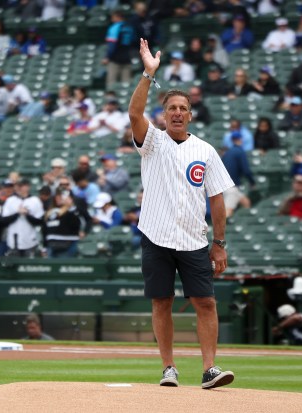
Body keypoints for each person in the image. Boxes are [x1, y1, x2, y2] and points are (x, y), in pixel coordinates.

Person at [128, 38, 235, 389]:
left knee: (205, 301)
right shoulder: (152, 142)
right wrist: (148, 73)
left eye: (182, 108)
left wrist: (219, 243)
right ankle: (169, 368)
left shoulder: (205, 150)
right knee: (162, 302)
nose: (176, 112)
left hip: (193, 238)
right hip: (156, 234)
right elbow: (133, 113)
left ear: (190, 114)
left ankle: (209, 369)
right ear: (163, 113)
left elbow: (217, 200)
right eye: (171, 107)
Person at [1, 178, 44, 257]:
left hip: (30, 241)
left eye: (21, 186)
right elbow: (4, 220)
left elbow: (39, 221)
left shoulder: (35, 200)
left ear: (28, 187)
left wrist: (26, 214)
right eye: (18, 186)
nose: (19, 188)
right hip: (13, 242)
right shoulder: (10, 200)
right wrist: (17, 213)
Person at [221, 134, 255, 217]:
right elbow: (246, 170)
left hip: (223, 185)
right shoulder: (240, 151)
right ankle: (225, 229)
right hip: (231, 187)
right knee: (228, 211)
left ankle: (247, 221)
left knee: (246, 202)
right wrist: (252, 182)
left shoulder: (227, 152)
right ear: (240, 139)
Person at [43, 187, 82, 257]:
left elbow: (77, 224)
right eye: (57, 196)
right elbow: (45, 230)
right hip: (51, 245)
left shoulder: (72, 211)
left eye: (61, 196)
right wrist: (44, 247)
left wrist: (70, 207)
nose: (59, 198)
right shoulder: (49, 212)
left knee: (64, 266)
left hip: (68, 244)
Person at [103, 9, 136, 89]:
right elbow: (134, 41)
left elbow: (112, 44)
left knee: (111, 84)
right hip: (127, 58)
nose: (112, 19)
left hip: (115, 59)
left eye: (113, 17)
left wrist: (107, 57)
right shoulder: (130, 27)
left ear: (117, 17)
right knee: (126, 84)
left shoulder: (115, 27)